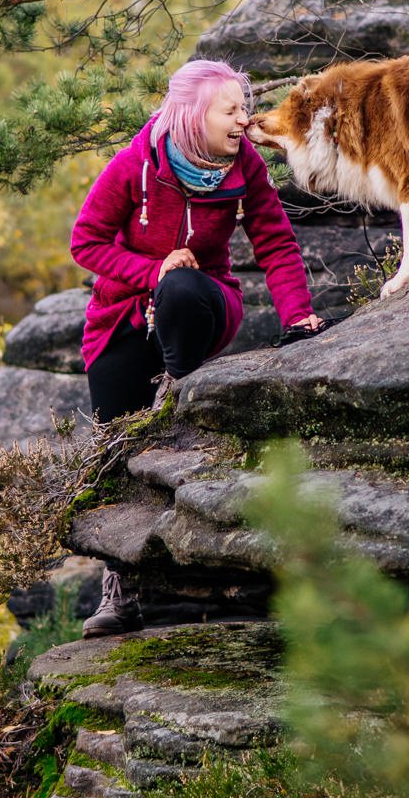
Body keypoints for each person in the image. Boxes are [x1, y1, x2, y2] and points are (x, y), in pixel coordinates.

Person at [70, 59, 321, 637]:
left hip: (204, 305)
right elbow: (85, 241)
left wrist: (300, 317)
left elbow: (276, 244)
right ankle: (121, 589)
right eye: (230, 109)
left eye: (244, 104)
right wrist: (150, 269)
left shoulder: (246, 165)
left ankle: (181, 391)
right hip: (122, 318)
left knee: (183, 285)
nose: (244, 118)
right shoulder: (136, 164)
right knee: (112, 451)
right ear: (192, 115)